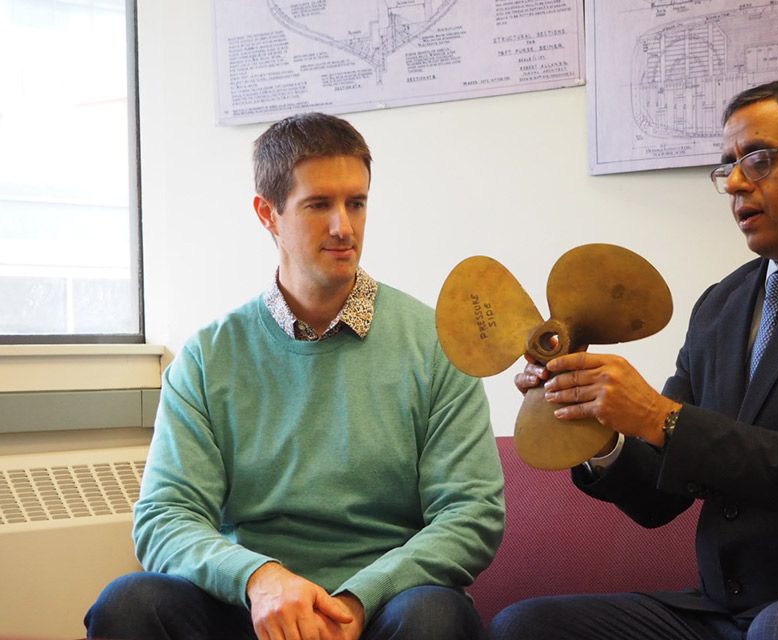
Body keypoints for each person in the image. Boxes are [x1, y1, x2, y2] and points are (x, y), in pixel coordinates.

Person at [486, 75, 778, 639]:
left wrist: (659, 417)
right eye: (728, 166)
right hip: (722, 611)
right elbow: (659, 498)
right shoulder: (722, 303)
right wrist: (594, 422)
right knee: (527, 625)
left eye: (757, 159)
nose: (734, 182)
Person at [85, 112, 506, 640]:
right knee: (129, 603)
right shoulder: (208, 357)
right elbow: (165, 516)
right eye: (319, 205)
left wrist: (356, 600)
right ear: (268, 214)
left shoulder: (437, 344)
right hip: (252, 608)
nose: (343, 227)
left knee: (436, 616)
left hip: (383, 608)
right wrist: (261, 580)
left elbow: (470, 513)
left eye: (356, 203)